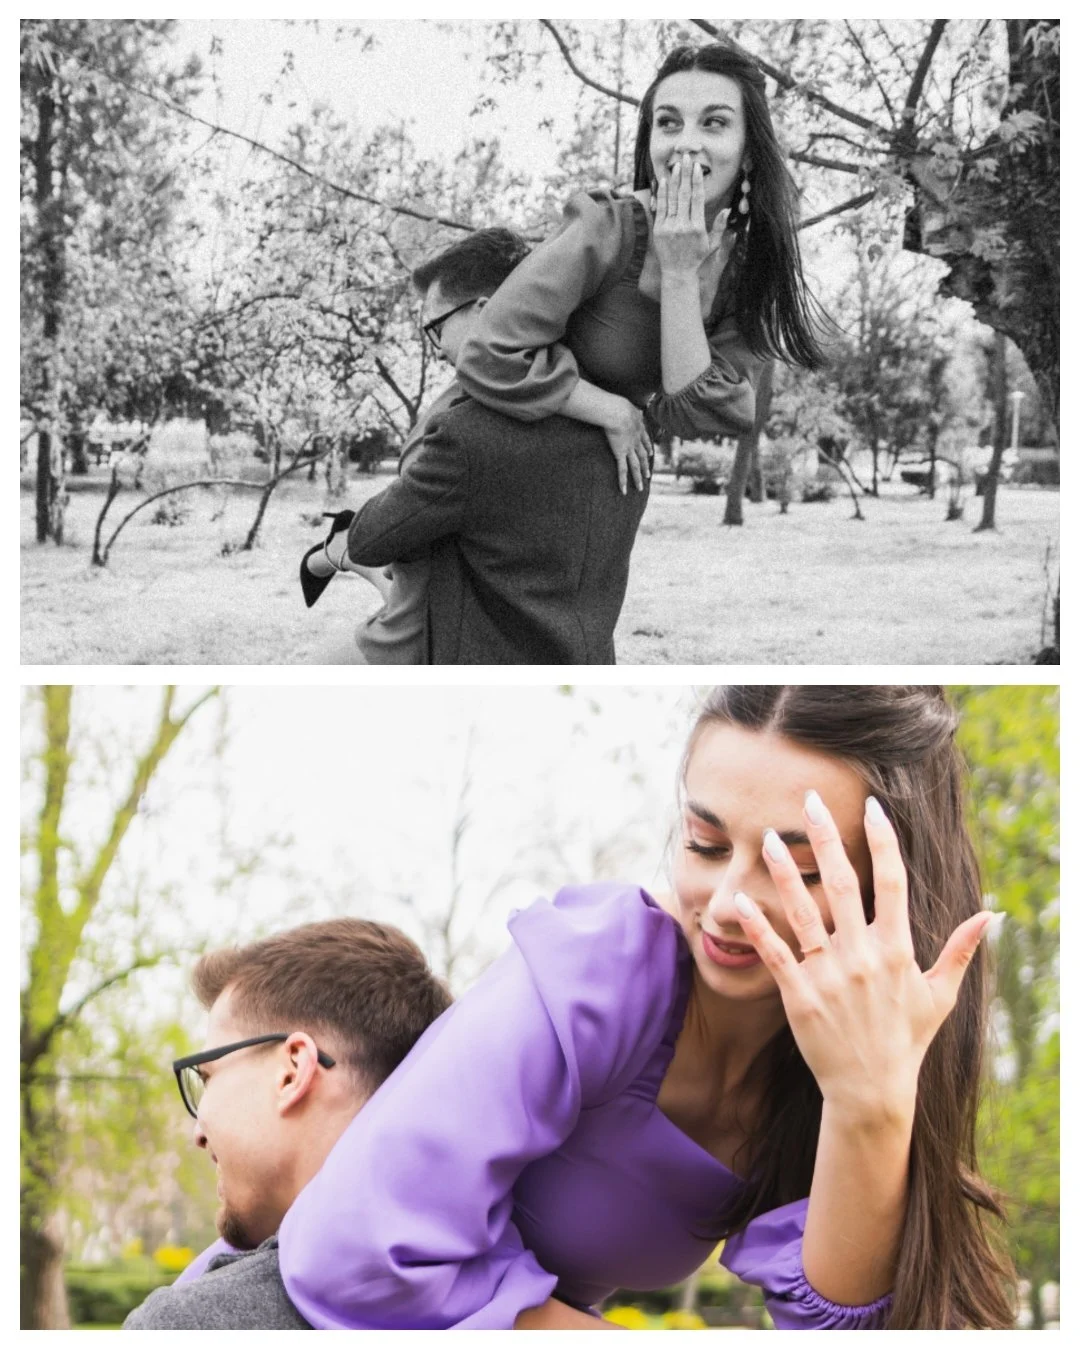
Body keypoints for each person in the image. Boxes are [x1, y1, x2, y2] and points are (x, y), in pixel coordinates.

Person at [182, 686, 1017, 1329]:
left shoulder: (834, 1076)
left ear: (892, 887)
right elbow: (355, 1253)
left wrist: (867, 1100)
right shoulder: (599, 971)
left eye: (795, 869)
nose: (727, 902)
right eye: (705, 843)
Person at [307, 40, 825, 663]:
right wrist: (611, 408)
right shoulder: (607, 227)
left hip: (602, 479)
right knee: (419, 613)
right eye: (668, 123)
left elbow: (714, 413)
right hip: (505, 435)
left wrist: (683, 273)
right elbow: (491, 349)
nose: (686, 143)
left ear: (750, 147)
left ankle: (346, 549)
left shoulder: (747, 269)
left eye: (714, 122)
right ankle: (340, 548)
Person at [306, 227, 651, 664]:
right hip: (587, 663)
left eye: (436, 328)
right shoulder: (630, 424)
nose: (436, 348)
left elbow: (372, 538)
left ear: (486, 311)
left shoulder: (467, 433)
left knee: (322, 666)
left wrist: (350, 549)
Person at [122, 919, 452, 1330]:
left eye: (207, 1076)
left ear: (293, 1070)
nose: (198, 1133)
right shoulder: (522, 1301)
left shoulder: (194, 1325)